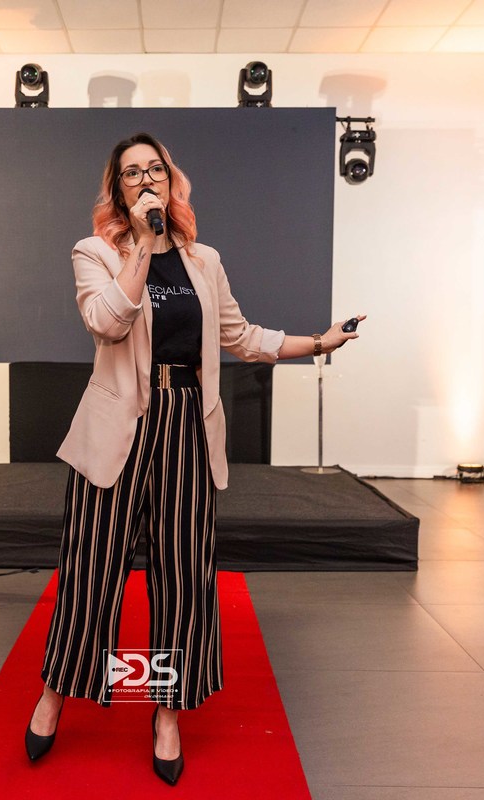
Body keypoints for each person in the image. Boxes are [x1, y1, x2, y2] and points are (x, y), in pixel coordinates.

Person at [25, 132, 363, 785]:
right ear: (118, 190)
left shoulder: (204, 260)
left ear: (170, 179)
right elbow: (108, 322)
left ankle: (167, 712)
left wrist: (319, 343)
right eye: (132, 173)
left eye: (154, 168)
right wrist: (141, 245)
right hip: (119, 426)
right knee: (91, 570)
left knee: (182, 579)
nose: (145, 179)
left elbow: (241, 336)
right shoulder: (95, 252)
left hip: (186, 425)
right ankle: (53, 695)